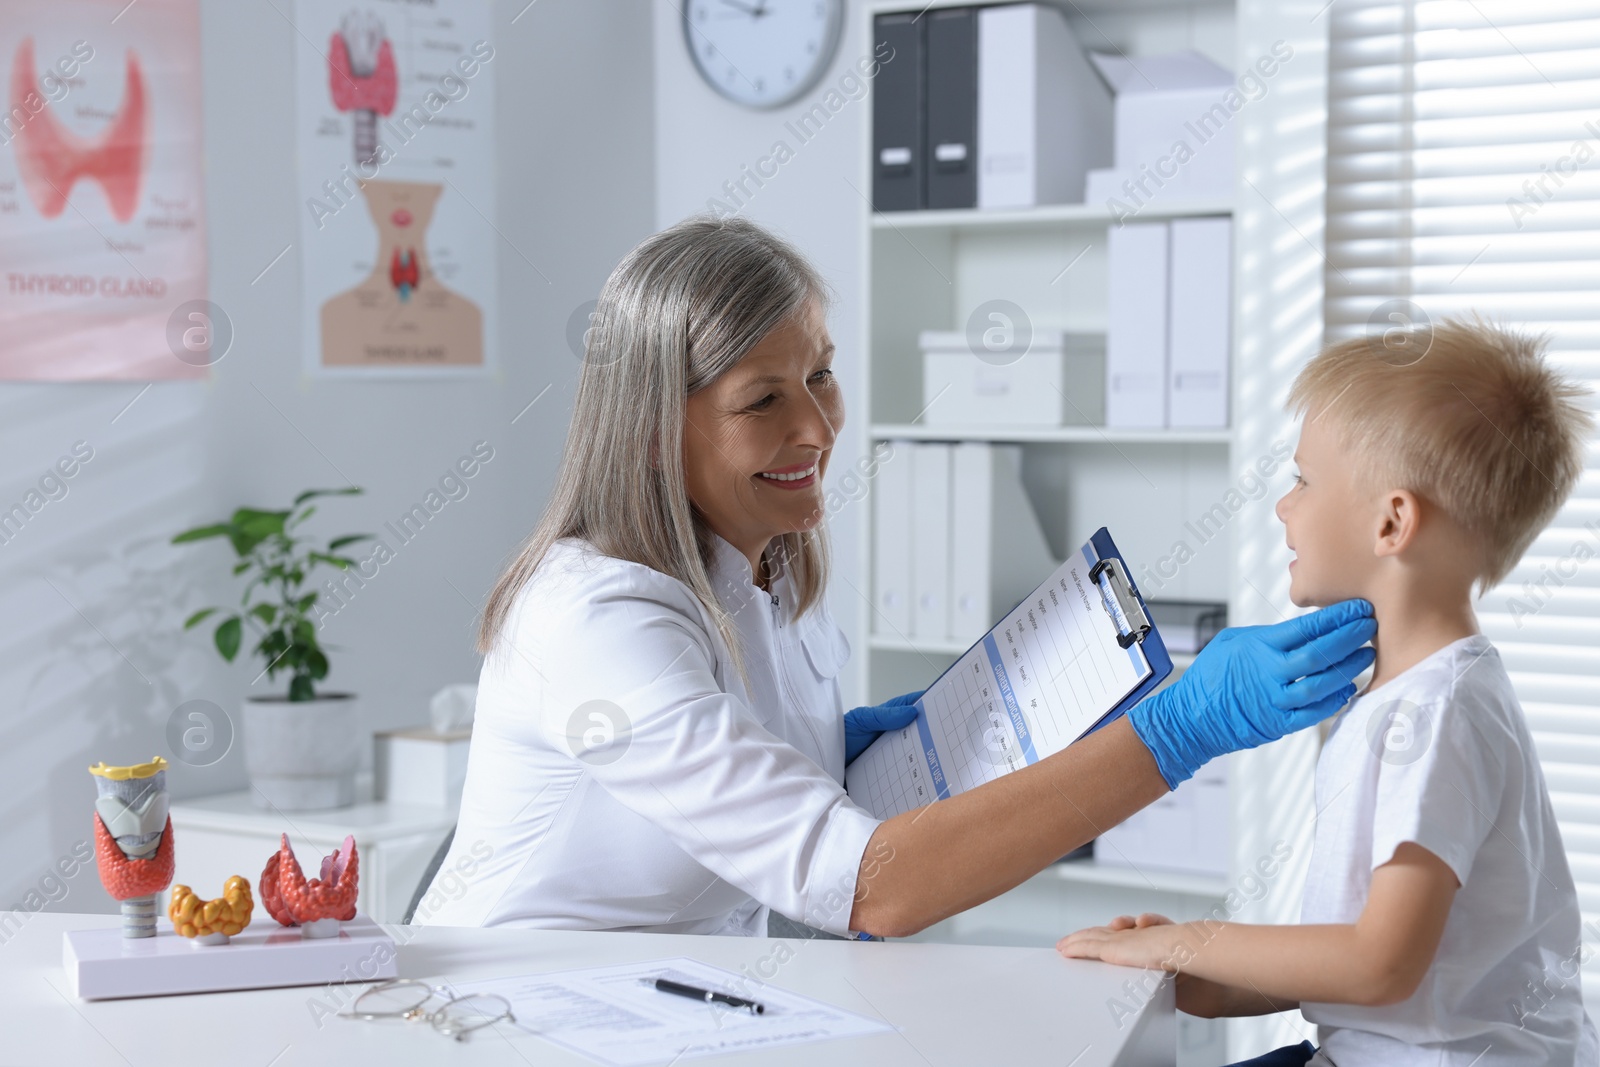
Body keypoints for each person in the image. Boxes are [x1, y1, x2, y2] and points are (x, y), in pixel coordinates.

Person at [413, 214, 1375, 940]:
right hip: (511, 1021)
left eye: (821, 375)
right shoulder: (598, 621)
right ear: (657, 429)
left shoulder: (762, 570)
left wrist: (843, 759)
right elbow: (869, 888)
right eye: (763, 400)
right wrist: (1178, 728)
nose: (818, 430)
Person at [1058, 318, 1599, 1066]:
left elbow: (1382, 964)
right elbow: (1385, 962)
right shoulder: (1423, 693)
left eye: (1304, 480)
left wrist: (1193, 940)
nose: (1283, 505)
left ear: (1392, 521)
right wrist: (1212, 977)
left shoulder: (1434, 715)